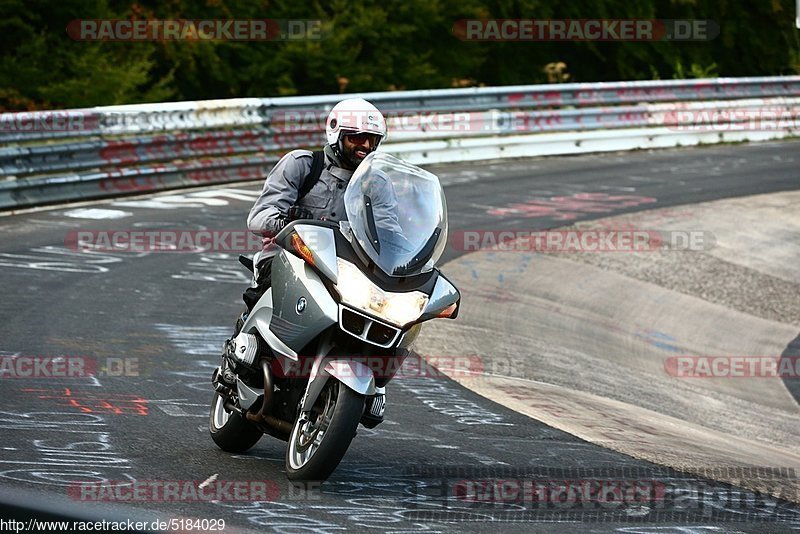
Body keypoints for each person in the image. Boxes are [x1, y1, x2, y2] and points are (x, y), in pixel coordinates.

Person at [232, 97, 388, 333]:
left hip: (348, 272)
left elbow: (391, 229)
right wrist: (289, 222)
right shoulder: (302, 165)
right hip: (290, 260)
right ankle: (245, 348)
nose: (365, 145)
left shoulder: (377, 184)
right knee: (271, 314)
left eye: (372, 139)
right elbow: (259, 217)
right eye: (356, 137)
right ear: (337, 135)